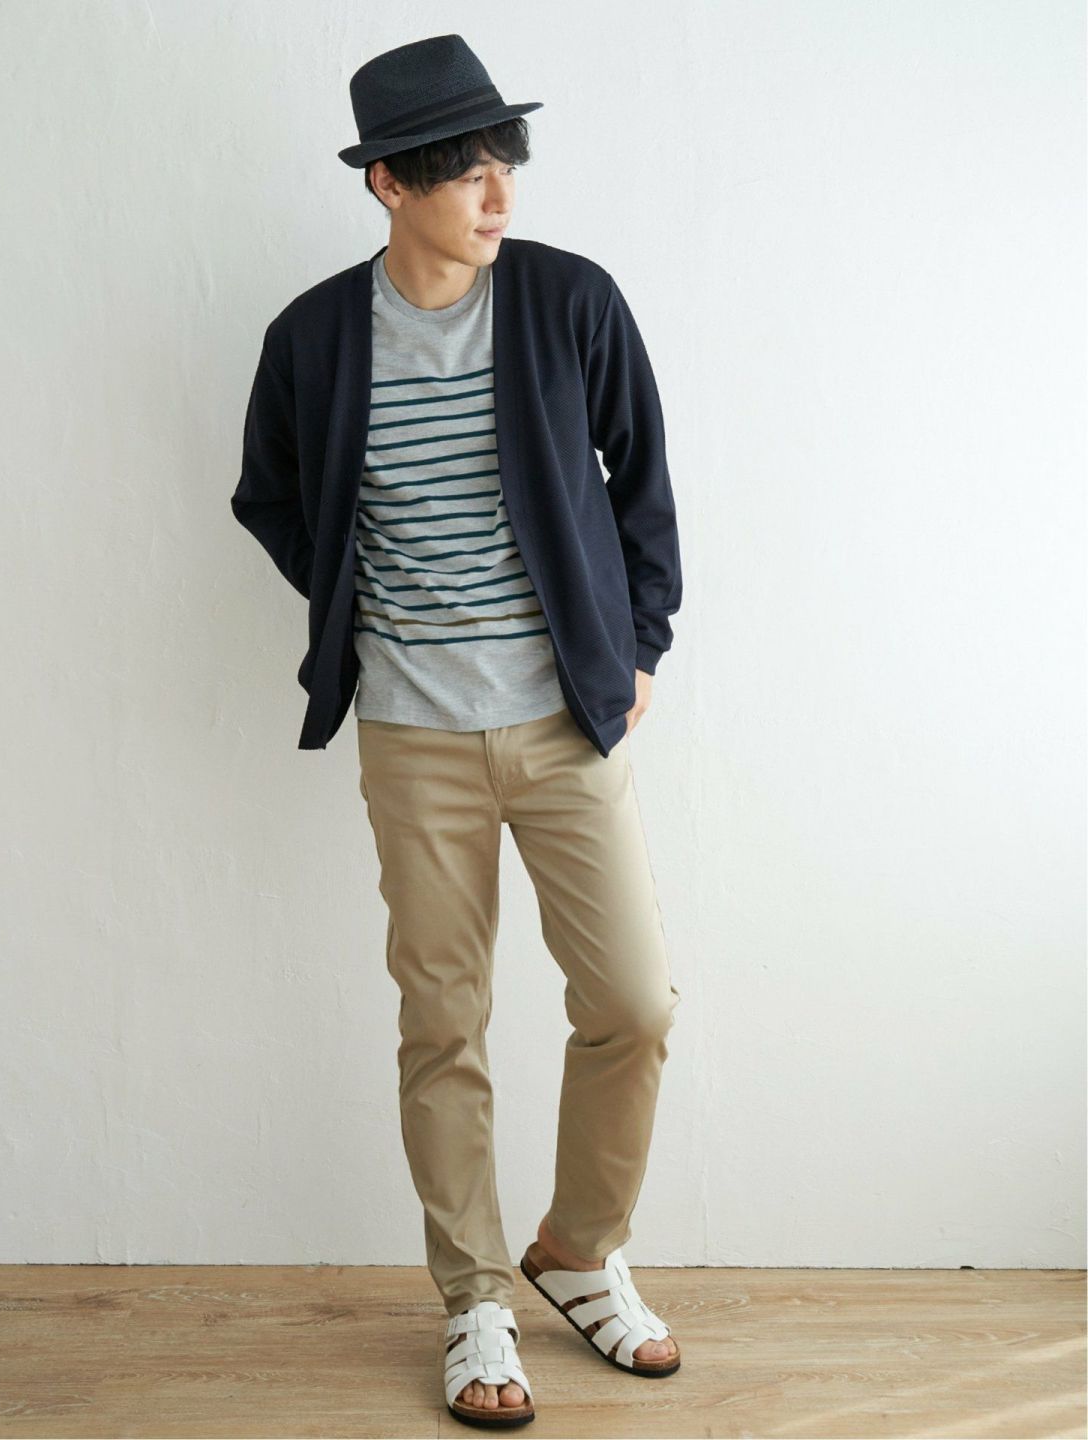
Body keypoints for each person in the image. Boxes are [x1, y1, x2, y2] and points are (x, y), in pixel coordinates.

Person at [231, 33, 684, 1430]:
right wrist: (358, 607)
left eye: (506, 163)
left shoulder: (567, 300)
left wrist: (640, 642)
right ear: (387, 183)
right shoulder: (315, 338)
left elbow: (642, 479)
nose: (499, 194)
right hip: (411, 736)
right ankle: (475, 1293)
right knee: (445, 1020)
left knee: (633, 1006)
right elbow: (269, 496)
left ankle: (579, 1252)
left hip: (565, 724)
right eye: (464, 171)